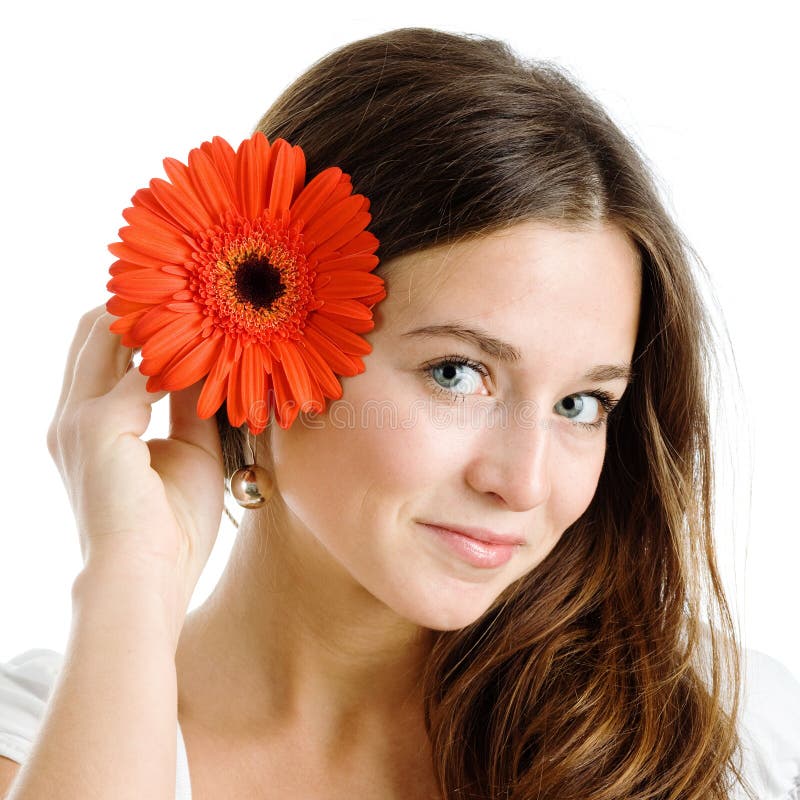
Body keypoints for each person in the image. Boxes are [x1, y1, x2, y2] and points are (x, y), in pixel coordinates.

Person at [1, 25, 799, 800]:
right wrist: (133, 575)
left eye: (581, 404)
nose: (523, 484)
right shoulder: (43, 739)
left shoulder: (724, 734)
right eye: (457, 373)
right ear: (260, 329)